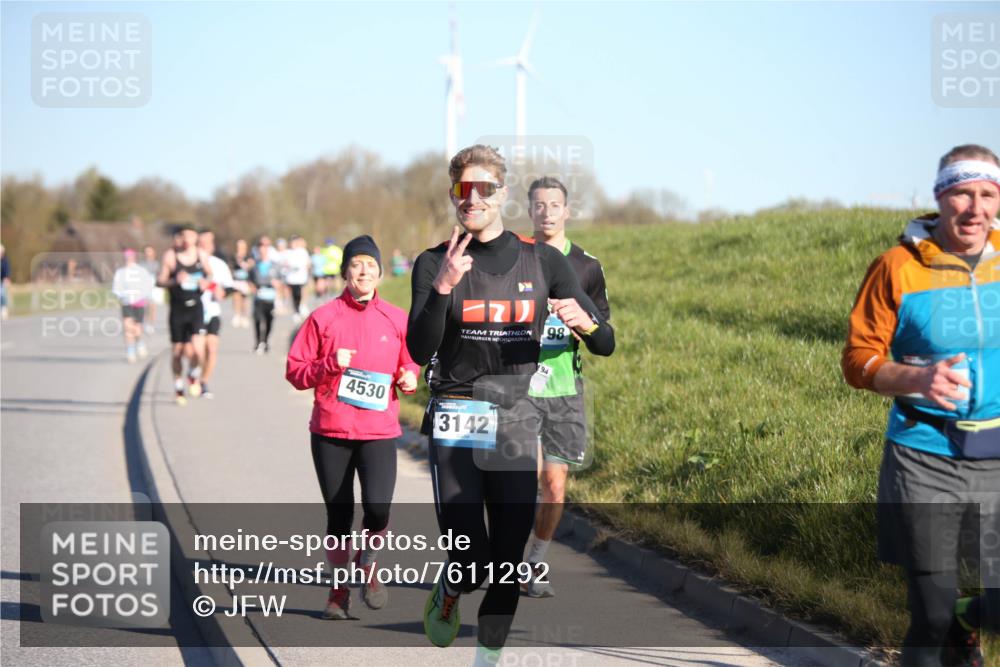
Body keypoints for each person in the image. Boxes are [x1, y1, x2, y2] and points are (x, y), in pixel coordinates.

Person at [407, 145, 615, 664]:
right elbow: (418, 348)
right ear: (453, 196)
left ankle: (487, 659)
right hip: (457, 409)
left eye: (483, 189)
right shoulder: (436, 261)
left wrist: (583, 322)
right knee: (472, 558)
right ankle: (453, 590)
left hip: (516, 416)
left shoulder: (543, 260)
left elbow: (605, 340)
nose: (471, 198)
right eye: (462, 190)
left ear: (501, 195)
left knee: (505, 562)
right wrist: (442, 289)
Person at [842, 144, 1000, 667]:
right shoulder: (897, 268)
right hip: (924, 453)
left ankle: (968, 618)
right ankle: (947, 623)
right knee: (928, 616)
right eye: (962, 193)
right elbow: (858, 360)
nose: (975, 208)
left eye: (988, 194)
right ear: (939, 197)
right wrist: (917, 377)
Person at [286, 235, 419, 619]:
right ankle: (338, 591)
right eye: (357, 264)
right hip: (331, 432)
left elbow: (410, 361)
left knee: (377, 509)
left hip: (378, 431)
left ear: (380, 273)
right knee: (339, 515)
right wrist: (329, 363)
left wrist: (408, 375)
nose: (364, 272)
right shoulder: (323, 318)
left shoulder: (395, 318)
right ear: (345, 271)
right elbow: (295, 372)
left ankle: (369, 562)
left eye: (371, 266)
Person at [523, 176, 612, 598]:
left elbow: (604, 331)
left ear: (566, 211)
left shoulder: (587, 266)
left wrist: (585, 326)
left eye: (553, 205)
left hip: (562, 386)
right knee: (513, 480)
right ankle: (501, 556)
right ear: (528, 211)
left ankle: (534, 561)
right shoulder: (513, 257)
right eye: (538, 205)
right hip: (515, 385)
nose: (546, 212)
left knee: (554, 484)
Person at [157, 224, 214, 405]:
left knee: (198, 350)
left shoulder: (201, 255)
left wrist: (206, 281)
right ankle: (178, 386)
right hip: (178, 309)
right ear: (180, 238)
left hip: (195, 308)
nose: (188, 240)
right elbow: (159, 281)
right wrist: (174, 280)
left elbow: (210, 274)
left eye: (192, 236)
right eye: (185, 236)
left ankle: (193, 373)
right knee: (177, 352)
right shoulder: (171, 256)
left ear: (196, 238)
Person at [196, 230, 233, 399]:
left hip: (213, 312)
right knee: (197, 352)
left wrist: (223, 292)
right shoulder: (191, 262)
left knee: (211, 349)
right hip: (193, 312)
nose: (205, 245)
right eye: (202, 242)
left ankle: (203, 381)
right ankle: (193, 373)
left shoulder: (219, 264)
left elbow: (229, 287)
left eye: (208, 242)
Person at [111, 249, 154, 362]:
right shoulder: (120, 272)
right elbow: (116, 287)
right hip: (126, 302)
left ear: (134, 258)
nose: (128, 259)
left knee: (137, 328)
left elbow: (148, 285)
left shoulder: (142, 271)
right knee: (127, 326)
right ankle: (130, 350)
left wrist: (143, 296)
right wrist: (121, 296)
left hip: (139, 302)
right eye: (126, 257)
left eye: (130, 257)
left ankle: (139, 342)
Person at [250, 239, 281, 354]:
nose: (263, 250)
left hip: (270, 297)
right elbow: (251, 280)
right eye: (261, 247)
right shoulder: (255, 265)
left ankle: (266, 341)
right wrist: (252, 286)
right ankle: (258, 342)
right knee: (257, 320)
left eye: (265, 247)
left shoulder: (275, 265)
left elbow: (280, 280)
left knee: (269, 321)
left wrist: (277, 284)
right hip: (258, 297)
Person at [283, 234, 312, 322]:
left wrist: (307, 271)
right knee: (294, 295)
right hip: (291, 278)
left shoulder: (302, 251)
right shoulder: (287, 252)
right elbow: (284, 264)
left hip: (301, 277)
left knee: (300, 293)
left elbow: (308, 263)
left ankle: (301, 306)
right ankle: (296, 311)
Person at [230, 239, 253, 328]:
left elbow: (251, 267)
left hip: (246, 281)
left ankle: (244, 316)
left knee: (245, 299)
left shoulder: (248, 257)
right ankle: (237, 315)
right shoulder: (233, 257)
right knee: (236, 298)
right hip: (236, 281)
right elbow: (231, 268)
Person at [140, 246, 161, 334]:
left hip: (154, 287)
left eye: (150, 251)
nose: (148, 253)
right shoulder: (141, 264)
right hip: (144, 287)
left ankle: (151, 324)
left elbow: (160, 275)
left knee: (153, 306)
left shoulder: (157, 264)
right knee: (145, 306)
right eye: (146, 251)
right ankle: (143, 322)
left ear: (153, 253)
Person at [1, 243, 10, 320]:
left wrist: (6, 278)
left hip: (2, 280)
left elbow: (7, 270)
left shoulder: (5, 261)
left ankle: (4, 311)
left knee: (2, 295)